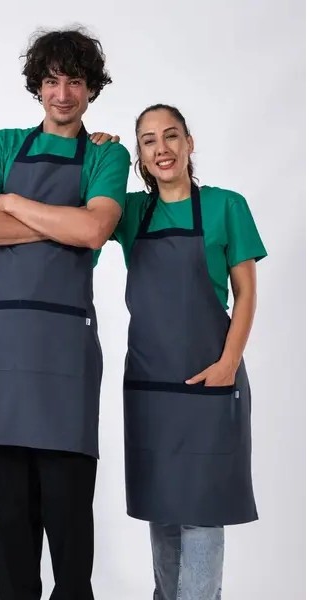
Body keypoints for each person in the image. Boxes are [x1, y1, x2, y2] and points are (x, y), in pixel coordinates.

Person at [0, 27, 130, 600]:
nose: (62, 94)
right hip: (3, 344)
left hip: (64, 348)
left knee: (69, 519)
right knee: (11, 518)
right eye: (51, 81)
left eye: (74, 81)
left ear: (91, 88)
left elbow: (95, 229)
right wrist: (60, 222)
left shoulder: (107, 154)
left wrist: (11, 202)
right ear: (37, 87)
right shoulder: (2, 144)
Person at [107, 103, 267, 599]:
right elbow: (83, 210)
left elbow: (246, 293)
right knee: (162, 511)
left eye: (171, 135)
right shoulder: (131, 212)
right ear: (140, 155)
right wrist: (99, 152)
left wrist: (228, 364)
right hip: (150, 387)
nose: (162, 148)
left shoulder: (226, 206)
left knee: (203, 512)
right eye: (149, 140)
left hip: (209, 381)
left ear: (189, 143)